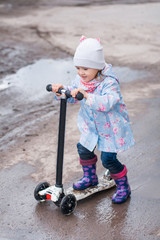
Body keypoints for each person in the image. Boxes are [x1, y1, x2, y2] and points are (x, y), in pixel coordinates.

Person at [51, 36, 135, 204]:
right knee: (83, 148)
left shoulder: (109, 83)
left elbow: (108, 102)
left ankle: (123, 186)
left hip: (111, 128)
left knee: (108, 159)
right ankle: (90, 178)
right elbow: (74, 94)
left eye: (85, 68)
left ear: (97, 67)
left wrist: (88, 95)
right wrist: (62, 91)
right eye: (78, 68)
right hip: (92, 126)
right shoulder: (81, 80)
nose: (81, 72)